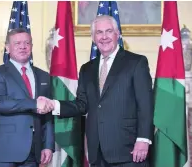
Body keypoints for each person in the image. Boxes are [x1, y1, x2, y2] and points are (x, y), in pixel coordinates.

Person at [47, 15, 154, 167]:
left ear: (117, 34)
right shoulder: (86, 69)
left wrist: (143, 139)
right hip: (97, 152)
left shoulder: (136, 62)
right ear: (93, 37)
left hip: (129, 150)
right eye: (99, 32)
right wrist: (54, 105)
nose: (104, 37)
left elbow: (145, 104)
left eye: (108, 31)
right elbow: (82, 104)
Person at [0, 28, 55, 167]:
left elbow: (48, 114)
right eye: (17, 43)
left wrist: (48, 145)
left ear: (31, 47)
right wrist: (34, 104)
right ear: (7, 48)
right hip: (4, 150)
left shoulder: (43, 76)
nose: (23, 46)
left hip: (34, 150)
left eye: (27, 43)